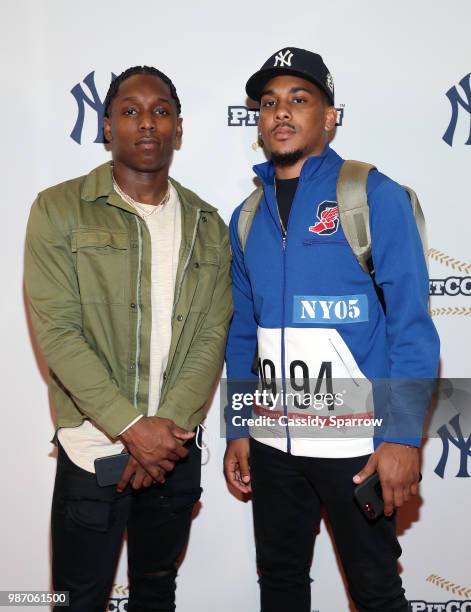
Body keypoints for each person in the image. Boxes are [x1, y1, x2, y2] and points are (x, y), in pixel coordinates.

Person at [224, 48, 439, 612]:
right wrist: (239, 428)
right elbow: (244, 332)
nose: (282, 113)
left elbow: (412, 329)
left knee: (374, 591)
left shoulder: (372, 196)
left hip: (359, 446)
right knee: (280, 582)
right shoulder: (246, 216)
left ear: (330, 116)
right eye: (269, 103)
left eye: (300, 99)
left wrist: (400, 437)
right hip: (273, 444)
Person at [25, 65, 232, 611]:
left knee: (156, 593)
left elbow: (212, 334)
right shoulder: (58, 208)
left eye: (161, 111)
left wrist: (164, 434)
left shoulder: (208, 223)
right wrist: (132, 427)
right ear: (107, 125)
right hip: (93, 450)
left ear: (178, 129)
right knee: (78, 600)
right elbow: (59, 332)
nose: (147, 123)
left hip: (175, 453)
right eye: (131, 110)